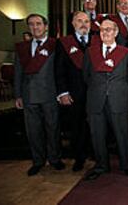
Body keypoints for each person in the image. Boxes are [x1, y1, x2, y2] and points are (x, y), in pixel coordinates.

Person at [83, 19, 128, 180]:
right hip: (96, 99)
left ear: (116, 32)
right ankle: (101, 165)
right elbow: (86, 76)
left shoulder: (126, 53)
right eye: (102, 30)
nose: (105, 32)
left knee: (122, 134)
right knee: (97, 135)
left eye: (109, 29)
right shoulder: (90, 52)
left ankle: (126, 164)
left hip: (118, 99)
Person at [14, 14, 65, 176]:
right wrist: (18, 95)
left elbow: (60, 70)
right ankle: (38, 161)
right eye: (31, 24)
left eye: (38, 24)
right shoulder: (22, 48)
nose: (35, 27)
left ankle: (55, 159)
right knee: (33, 131)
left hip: (50, 94)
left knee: (53, 128)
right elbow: (18, 73)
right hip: (29, 96)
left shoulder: (55, 45)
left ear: (45, 26)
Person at [55, 11, 92, 172]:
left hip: (94, 92)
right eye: (80, 21)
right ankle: (79, 157)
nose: (84, 24)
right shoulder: (64, 43)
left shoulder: (96, 40)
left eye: (86, 21)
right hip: (74, 93)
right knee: (76, 126)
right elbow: (59, 70)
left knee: (94, 125)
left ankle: (93, 153)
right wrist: (62, 92)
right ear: (73, 23)